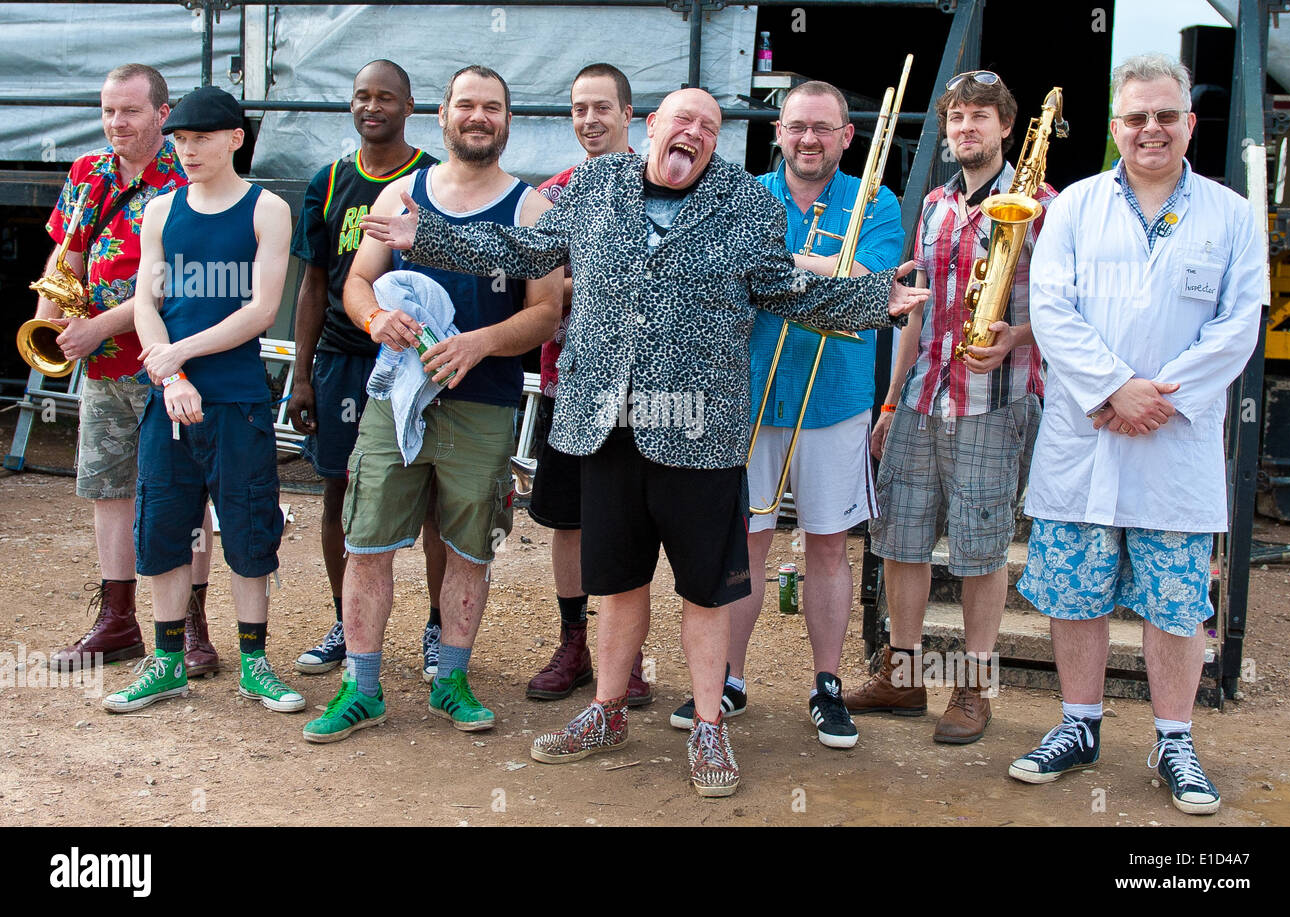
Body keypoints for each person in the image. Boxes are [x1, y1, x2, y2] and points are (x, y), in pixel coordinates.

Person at [361, 87, 929, 797]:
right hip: (607, 423)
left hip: (699, 428)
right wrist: (430, 236)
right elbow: (527, 246)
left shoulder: (745, 204)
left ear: (716, 142)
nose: (693, 132)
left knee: (704, 590)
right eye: (681, 120)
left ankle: (710, 725)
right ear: (653, 127)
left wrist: (875, 300)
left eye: (709, 127)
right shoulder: (594, 183)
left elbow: (784, 290)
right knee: (618, 579)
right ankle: (605, 710)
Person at [1008, 54, 1266, 815]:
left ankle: (1174, 738)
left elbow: (1237, 325)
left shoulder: (1231, 214)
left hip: (1174, 442)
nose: (1150, 128)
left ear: (1189, 122)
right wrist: (1115, 389)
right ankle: (1078, 724)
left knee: (1175, 601)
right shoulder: (1075, 207)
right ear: (1116, 126)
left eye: (1165, 115)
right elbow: (1052, 311)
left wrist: (1154, 397)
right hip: (1086, 436)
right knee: (1074, 589)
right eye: (1135, 116)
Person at [301, 65, 563, 743]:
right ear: (442, 115)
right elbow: (358, 281)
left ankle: (450, 679)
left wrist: (479, 343)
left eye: (493, 108)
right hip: (396, 400)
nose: (479, 117)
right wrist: (372, 321)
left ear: (509, 121)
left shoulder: (532, 209)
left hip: (482, 404)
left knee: (470, 548)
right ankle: (362, 689)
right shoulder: (400, 196)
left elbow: (543, 315)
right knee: (368, 542)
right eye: (467, 104)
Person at [668, 80, 904, 750]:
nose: (808, 139)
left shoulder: (875, 201)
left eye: (823, 128)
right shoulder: (741, 194)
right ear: (778, 130)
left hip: (833, 399)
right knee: (744, 544)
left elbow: (868, 285)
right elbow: (721, 273)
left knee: (828, 544)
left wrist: (780, 265)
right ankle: (730, 680)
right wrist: (817, 267)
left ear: (846, 135)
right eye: (797, 126)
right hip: (745, 396)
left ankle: (826, 683)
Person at [843, 70, 1054, 745]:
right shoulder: (934, 203)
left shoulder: (1041, 202)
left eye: (980, 117)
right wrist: (889, 397)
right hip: (920, 395)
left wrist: (1019, 337)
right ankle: (904, 674)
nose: (966, 128)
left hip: (993, 401)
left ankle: (973, 685)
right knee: (901, 539)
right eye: (957, 117)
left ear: (1005, 127)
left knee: (981, 549)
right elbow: (917, 315)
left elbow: (1068, 309)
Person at [103, 85, 301, 714]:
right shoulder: (161, 210)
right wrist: (170, 377)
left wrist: (180, 357)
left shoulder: (267, 209)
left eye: (202, 139)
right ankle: (165, 663)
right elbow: (147, 304)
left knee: (247, 527)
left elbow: (263, 310)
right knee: (161, 525)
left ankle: (254, 664)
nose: (188, 150)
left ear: (236, 139)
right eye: (181, 140)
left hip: (237, 399)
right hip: (171, 398)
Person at [39, 64, 216, 678]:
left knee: (187, 496)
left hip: (171, 359)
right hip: (106, 366)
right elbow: (68, 250)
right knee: (109, 491)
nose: (117, 123)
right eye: (110, 111)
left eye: (131, 111)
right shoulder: (87, 172)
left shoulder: (185, 174)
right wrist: (49, 320)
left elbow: (175, 282)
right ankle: (118, 622)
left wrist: (95, 328)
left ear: (162, 115)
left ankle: (193, 626)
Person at [286, 61, 447, 681]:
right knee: (337, 492)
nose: (371, 106)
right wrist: (301, 376)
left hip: (414, 358)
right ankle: (343, 622)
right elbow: (314, 283)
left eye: (386, 97)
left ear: (410, 106)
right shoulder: (328, 181)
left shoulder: (432, 179)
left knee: (433, 494)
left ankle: (437, 627)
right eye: (361, 96)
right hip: (343, 359)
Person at [525, 62, 651, 706]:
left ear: (630, 115)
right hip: (565, 383)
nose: (589, 120)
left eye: (603, 108)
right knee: (568, 520)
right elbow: (532, 283)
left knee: (628, 521)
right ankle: (574, 642)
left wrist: (587, 281)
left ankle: (625, 659)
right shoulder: (554, 194)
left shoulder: (662, 188)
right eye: (578, 109)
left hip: (639, 392)